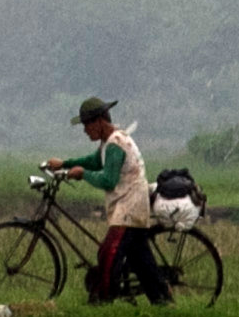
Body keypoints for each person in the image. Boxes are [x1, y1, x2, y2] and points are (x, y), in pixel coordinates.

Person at [39, 96, 170, 306]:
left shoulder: (116, 143)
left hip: (130, 208)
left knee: (108, 253)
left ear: (100, 122)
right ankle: (163, 300)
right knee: (141, 261)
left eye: (87, 125)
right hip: (130, 207)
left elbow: (108, 180)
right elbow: (93, 161)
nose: (85, 131)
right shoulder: (108, 143)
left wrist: (83, 174)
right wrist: (64, 163)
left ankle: (101, 301)